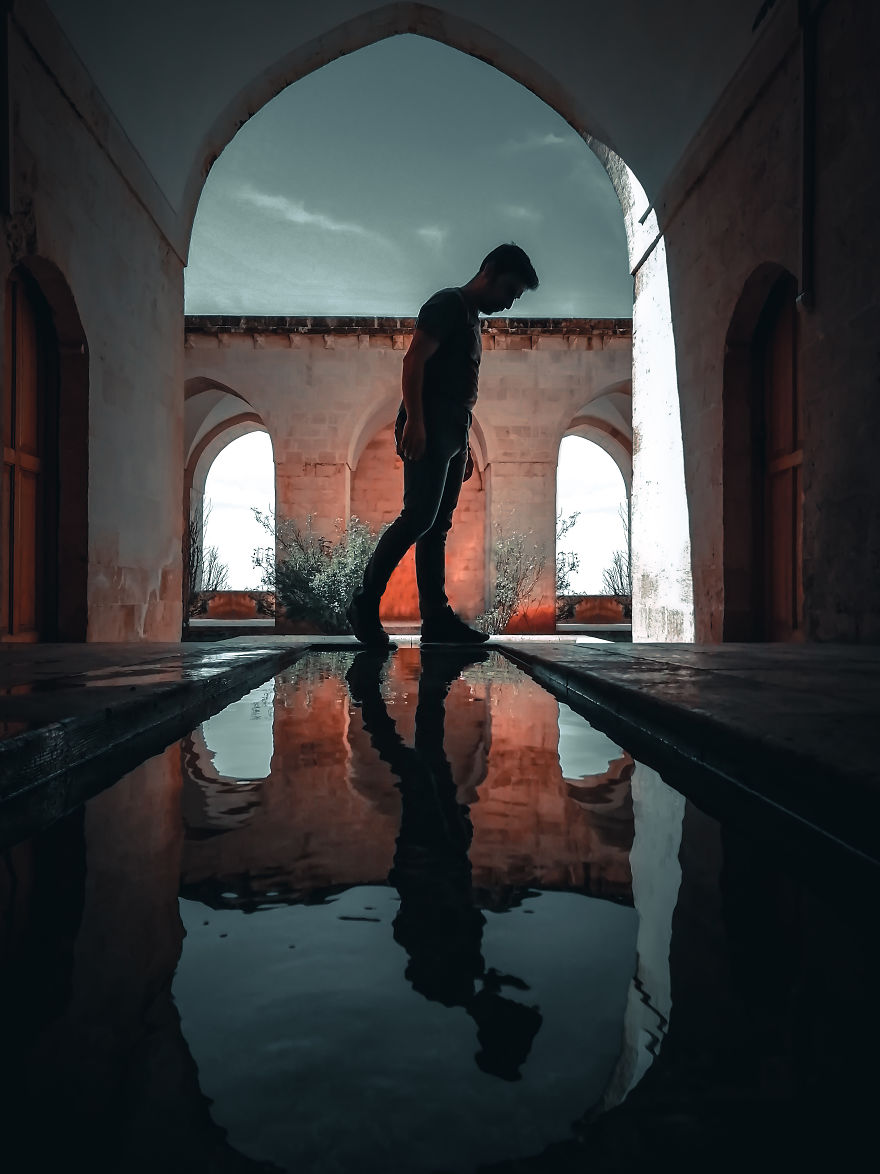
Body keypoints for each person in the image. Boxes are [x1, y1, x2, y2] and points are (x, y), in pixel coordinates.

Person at [346, 243, 539, 648]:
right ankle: (364, 605)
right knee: (418, 518)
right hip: (429, 425)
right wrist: (415, 421)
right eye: (509, 290)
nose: (508, 303)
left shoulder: (472, 320)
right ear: (489, 271)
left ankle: (435, 619)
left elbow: (458, 390)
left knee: (437, 528)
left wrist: (464, 443)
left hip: (452, 430)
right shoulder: (449, 303)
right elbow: (414, 362)